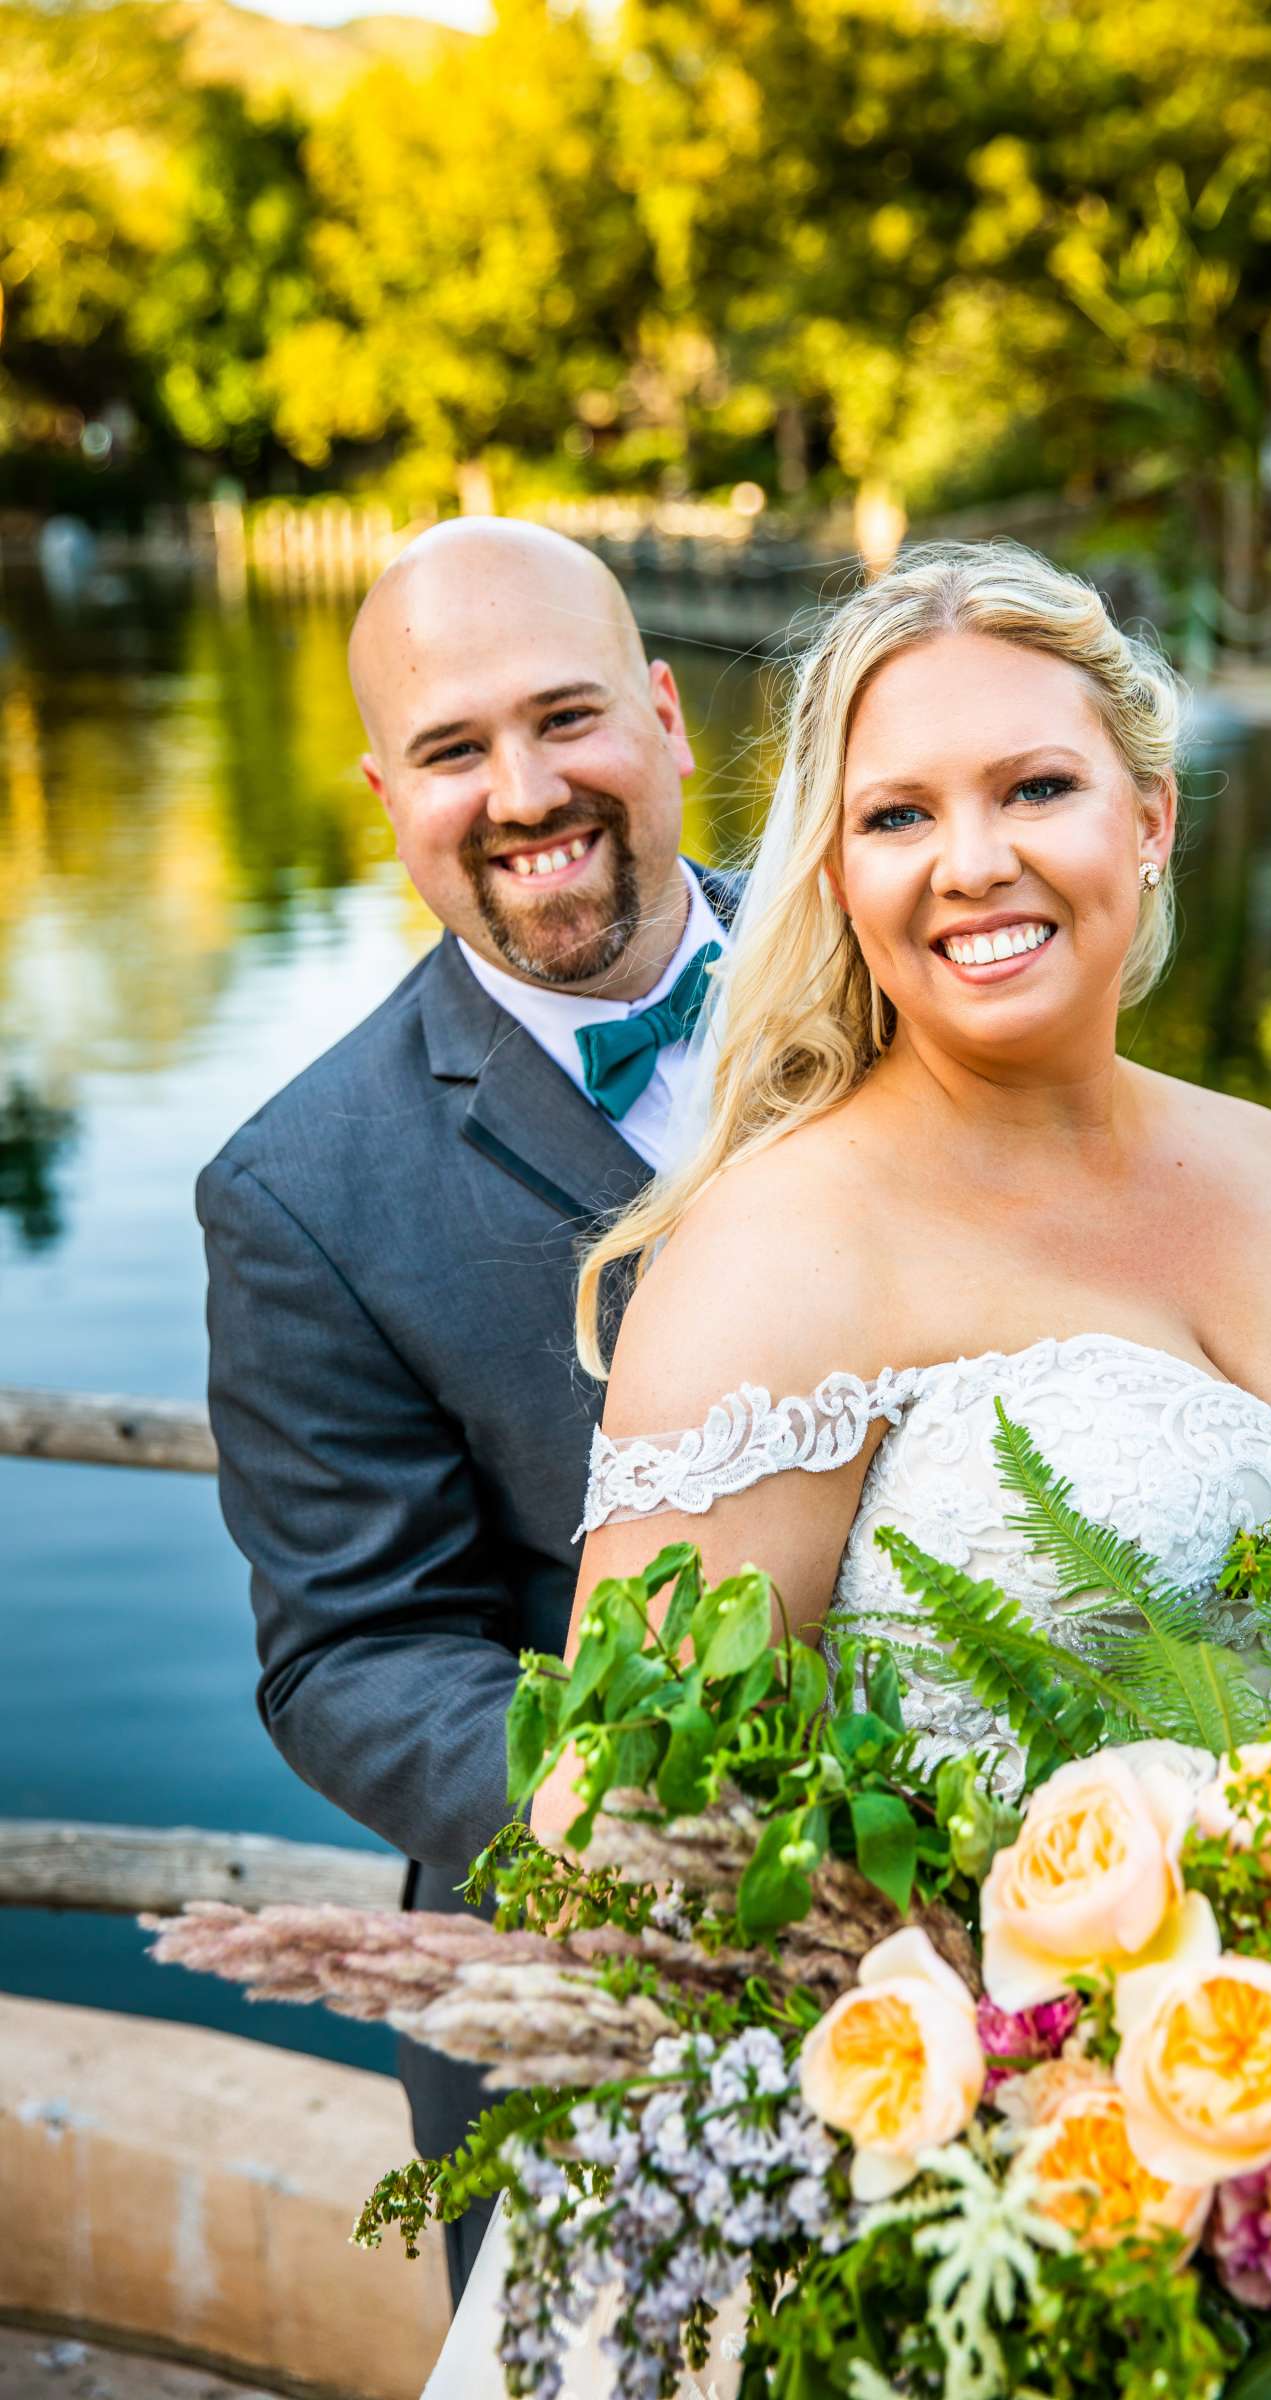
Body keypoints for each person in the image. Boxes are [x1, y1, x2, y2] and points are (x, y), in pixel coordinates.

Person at [425, 540, 1271, 2397]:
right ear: (839, 875)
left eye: (1037, 788)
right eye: (897, 812)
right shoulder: (780, 1257)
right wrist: (982, 2136)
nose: (972, 859)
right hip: (974, 2231)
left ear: (1148, 820)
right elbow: (619, 1856)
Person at [197, 518, 739, 2305]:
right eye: (451, 750)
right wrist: (669, 1817)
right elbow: (350, 1653)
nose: (524, 790)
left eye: (567, 718)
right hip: (580, 2000)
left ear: (664, 718)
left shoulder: (918, 968)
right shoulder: (300, 1190)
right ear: (385, 792)